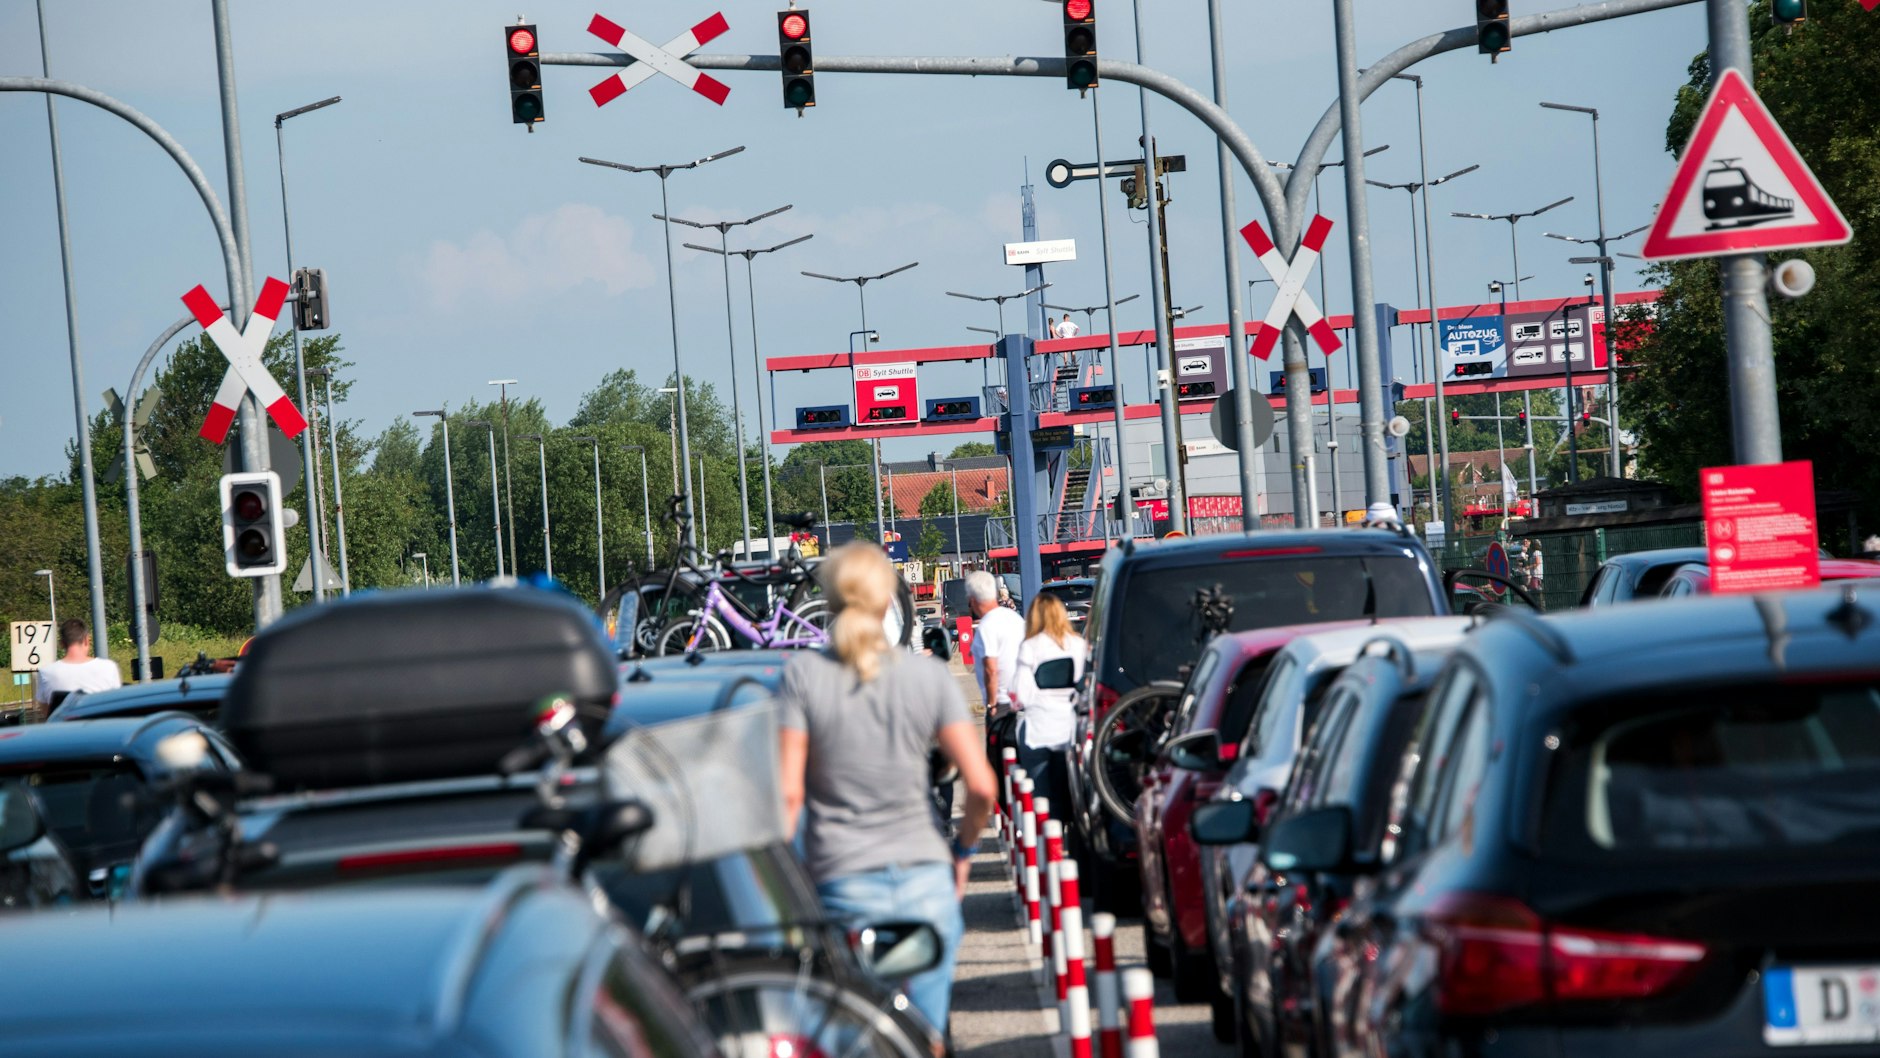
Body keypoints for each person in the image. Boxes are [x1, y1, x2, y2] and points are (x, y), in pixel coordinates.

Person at [778, 544, 997, 1037]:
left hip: (843, 887)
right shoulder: (926, 677)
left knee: (854, 1035)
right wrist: (962, 853)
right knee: (925, 1034)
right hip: (926, 885)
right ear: (887, 603)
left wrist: (789, 889)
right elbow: (981, 786)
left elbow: (789, 798)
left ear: (830, 600)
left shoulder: (803, 678)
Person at [1010, 593, 1086, 811]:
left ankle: (1047, 839)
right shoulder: (1079, 644)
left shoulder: (1030, 646)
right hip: (1070, 730)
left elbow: (1020, 695)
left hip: (1038, 728)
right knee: (1071, 795)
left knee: (1040, 798)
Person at [967, 571, 1025, 764]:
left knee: (998, 766)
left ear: (973, 600)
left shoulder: (986, 627)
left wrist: (991, 705)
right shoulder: (1015, 619)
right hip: (1024, 700)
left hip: (1001, 705)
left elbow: (991, 669)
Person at [33, 619, 121, 718]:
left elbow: (48, 714)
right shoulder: (109, 667)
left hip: (64, 731)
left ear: (61, 643)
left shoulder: (46, 672)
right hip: (101, 730)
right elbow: (117, 705)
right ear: (87, 640)